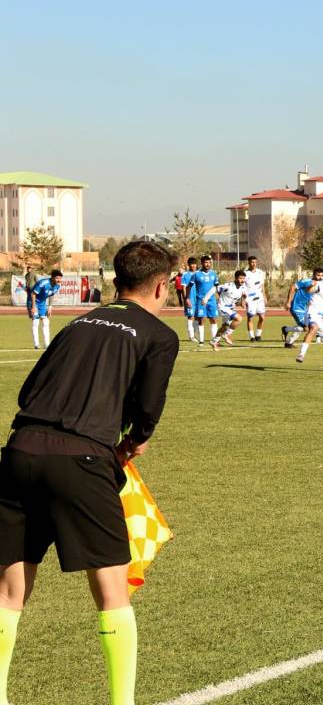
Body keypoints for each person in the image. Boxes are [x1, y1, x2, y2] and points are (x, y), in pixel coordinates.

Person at [0, 240, 179, 705]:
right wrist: (134, 441)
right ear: (161, 286)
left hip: (20, 450)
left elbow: (29, 391)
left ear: (116, 280)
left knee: (9, 589)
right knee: (112, 590)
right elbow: (148, 407)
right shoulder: (158, 334)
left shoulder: (77, 324)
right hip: (81, 458)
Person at [282, 267, 322, 348]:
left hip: (305, 308)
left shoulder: (319, 285)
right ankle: (286, 329)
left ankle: (289, 343)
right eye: (318, 275)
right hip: (296, 307)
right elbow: (292, 287)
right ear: (314, 274)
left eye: (321, 275)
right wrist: (288, 302)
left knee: (302, 327)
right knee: (305, 327)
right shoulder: (306, 281)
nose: (320, 277)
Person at [210, 270, 248, 351]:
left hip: (230, 308)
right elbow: (215, 288)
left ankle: (214, 341)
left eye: (243, 278)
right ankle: (226, 334)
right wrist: (206, 299)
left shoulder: (243, 287)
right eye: (240, 278)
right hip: (222, 308)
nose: (242, 280)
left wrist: (243, 301)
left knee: (225, 327)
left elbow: (242, 296)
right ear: (236, 278)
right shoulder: (228, 286)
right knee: (239, 318)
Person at [26, 270, 63, 350]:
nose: (59, 280)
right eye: (57, 278)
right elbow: (33, 294)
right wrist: (33, 307)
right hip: (33, 302)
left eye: (60, 278)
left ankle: (47, 344)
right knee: (36, 322)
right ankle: (36, 344)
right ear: (52, 278)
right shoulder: (43, 283)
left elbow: (52, 295)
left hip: (42, 304)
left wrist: (50, 307)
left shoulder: (57, 286)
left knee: (46, 322)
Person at [186, 256, 219, 345]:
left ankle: (214, 340)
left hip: (211, 300)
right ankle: (201, 341)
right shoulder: (196, 274)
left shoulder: (214, 274)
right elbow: (189, 286)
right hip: (200, 301)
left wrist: (219, 298)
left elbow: (216, 287)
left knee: (213, 319)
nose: (208, 264)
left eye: (209, 262)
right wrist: (187, 298)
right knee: (202, 319)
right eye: (206, 262)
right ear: (202, 263)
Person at [242, 256, 268, 342]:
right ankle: (252, 336)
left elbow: (262, 285)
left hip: (259, 297)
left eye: (255, 262)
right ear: (249, 263)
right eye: (252, 262)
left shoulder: (260, 272)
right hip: (250, 298)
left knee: (262, 317)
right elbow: (242, 287)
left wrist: (264, 296)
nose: (254, 264)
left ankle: (258, 334)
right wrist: (243, 300)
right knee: (250, 317)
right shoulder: (245, 273)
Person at [180, 257, 199, 341]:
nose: (193, 266)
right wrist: (186, 299)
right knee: (190, 316)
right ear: (189, 265)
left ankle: (195, 334)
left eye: (194, 264)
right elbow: (183, 288)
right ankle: (191, 336)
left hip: (198, 298)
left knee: (198, 317)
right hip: (190, 298)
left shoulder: (199, 273)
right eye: (191, 264)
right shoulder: (185, 274)